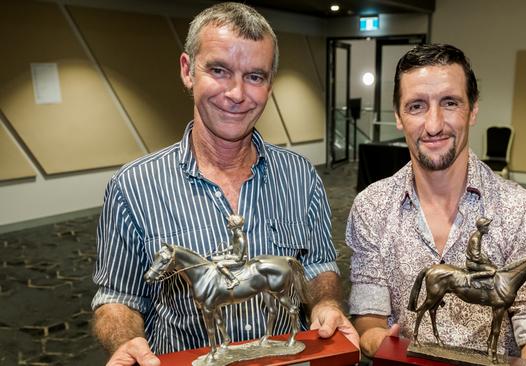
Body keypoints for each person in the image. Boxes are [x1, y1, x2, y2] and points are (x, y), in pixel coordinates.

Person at [91, 3, 358, 366]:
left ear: (269, 83)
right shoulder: (132, 186)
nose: (236, 94)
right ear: (188, 70)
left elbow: (318, 264)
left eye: (255, 76)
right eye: (219, 70)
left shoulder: (301, 175)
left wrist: (327, 303)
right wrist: (126, 340)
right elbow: (118, 297)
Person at [346, 44, 526, 365]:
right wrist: (375, 339)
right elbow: (369, 314)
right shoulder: (371, 206)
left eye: (450, 103)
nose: (434, 124)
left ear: (473, 110)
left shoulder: (520, 208)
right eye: (416, 106)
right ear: (398, 116)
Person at [464, 216, 497, 285]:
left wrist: (487, 260)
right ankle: (471, 276)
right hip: (471, 263)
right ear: (481, 228)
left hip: (473, 261)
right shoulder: (476, 239)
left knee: (493, 266)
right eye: (486, 226)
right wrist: (486, 262)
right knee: (493, 270)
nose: (488, 228)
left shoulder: (478, 236)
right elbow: (476, 257)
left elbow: (479, 253)